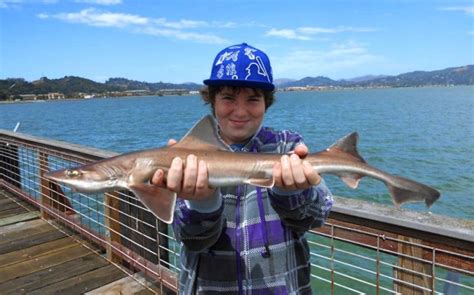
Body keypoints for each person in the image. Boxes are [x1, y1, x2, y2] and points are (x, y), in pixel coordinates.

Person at [152, 43, 333, 294]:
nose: (240, 111)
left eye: (252, 99)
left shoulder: (289, 147)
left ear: (266, 103)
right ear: (212, 100)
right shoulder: (184, 157)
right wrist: (201, 204)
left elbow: (318, 214)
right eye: (228, 98)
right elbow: (191, 239)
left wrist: (292, 194)